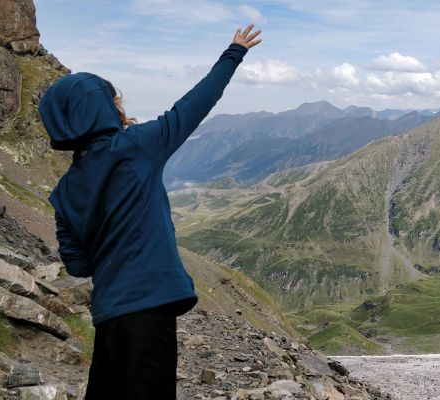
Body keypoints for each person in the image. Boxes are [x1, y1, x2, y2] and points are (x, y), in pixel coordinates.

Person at [39, 24, 262, 399]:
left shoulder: (64, 191)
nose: (120, 106)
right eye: (114, 100)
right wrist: (234, 52)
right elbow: (195, 103)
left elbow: (77, 265)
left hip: (109, 314)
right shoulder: (139, 147)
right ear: (97, 109)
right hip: (149, 306)